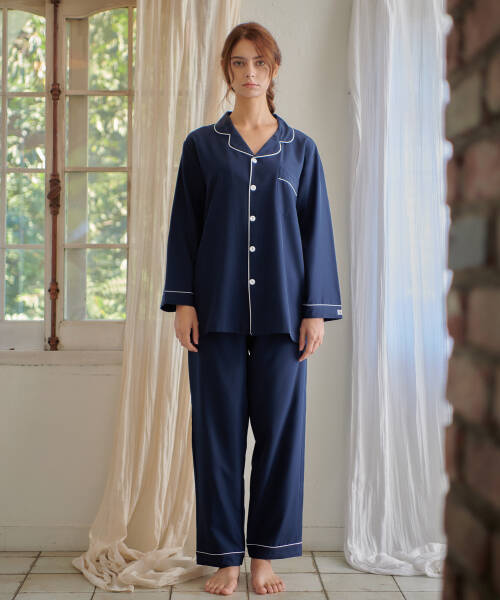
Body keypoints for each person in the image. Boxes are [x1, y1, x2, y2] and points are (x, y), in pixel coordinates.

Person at [160, 21, 342, 596]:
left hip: (285, 318)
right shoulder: (201, 147)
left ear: (274, 69)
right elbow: (184, 228)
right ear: (227, 70)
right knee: (217, 437)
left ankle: (265, 556)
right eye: (238, 63)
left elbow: (316, 233)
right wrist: (183, 302)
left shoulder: (301, 149)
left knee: (280, 438)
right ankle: (225, 558)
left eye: (258, 62)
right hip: (214, 314)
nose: (249, 73)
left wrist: (315, 311)